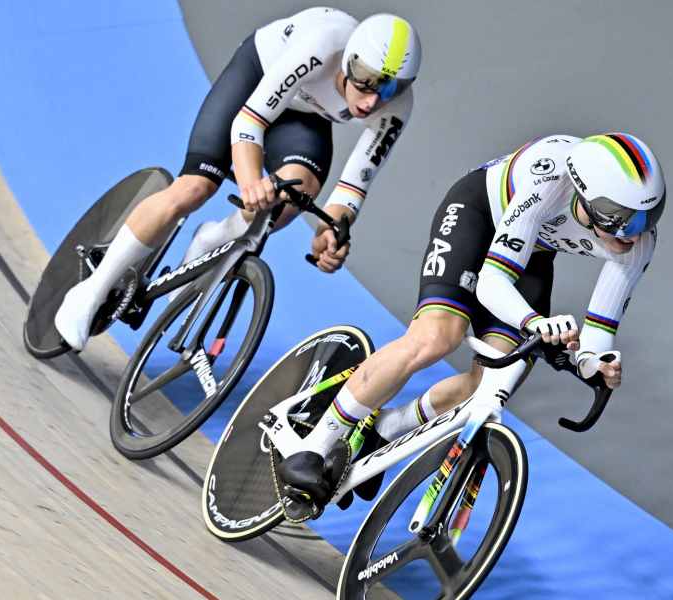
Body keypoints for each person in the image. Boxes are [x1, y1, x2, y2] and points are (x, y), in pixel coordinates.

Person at [278, 132, 665, 513]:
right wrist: (534, 321)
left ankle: (385, 430)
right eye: (625, 220)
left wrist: (593, 363)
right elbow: (493, 282)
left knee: (496, 382)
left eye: (649, 216)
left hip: (531, 254)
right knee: (436, 337)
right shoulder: (549, 180)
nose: (636, 232)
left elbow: (599, 329)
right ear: (586, 198)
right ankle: (315, 444)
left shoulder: (638, 240)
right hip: (477, 216)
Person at [54, 7, 421, 350]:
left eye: (390, 89)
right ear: (348, 61)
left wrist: (331, 233)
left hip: (306, 116)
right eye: (367, 82)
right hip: (256, 82)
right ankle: (89, 292)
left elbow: (353, 187)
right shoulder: (322, 45)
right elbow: (250, 121)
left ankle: (214, 238)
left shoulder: (397, 110)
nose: (373, 102)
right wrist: (250, 184)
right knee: (195, 187)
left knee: (296, 193)